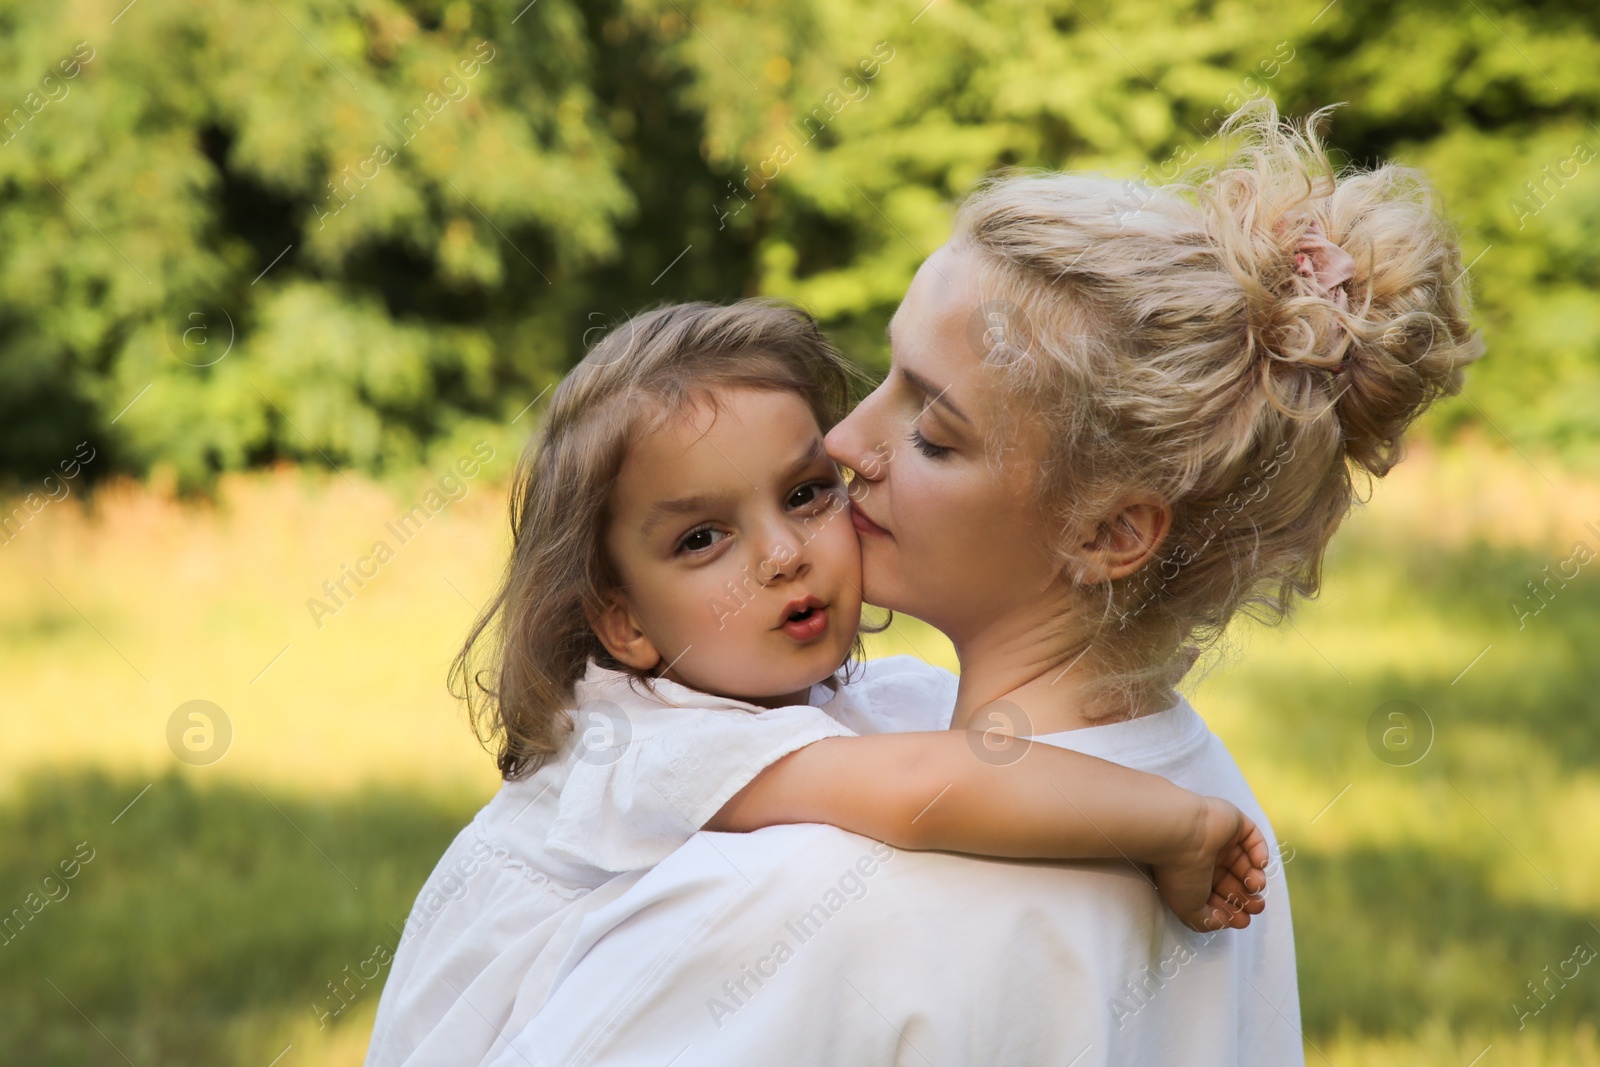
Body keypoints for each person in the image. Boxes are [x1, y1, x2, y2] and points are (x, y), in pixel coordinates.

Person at [475, 104, 1483, 1065]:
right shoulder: (1208, 793)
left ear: (1110, 530)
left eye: (932, 434)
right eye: (884, 377)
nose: (843, 442)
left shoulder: (808, 895)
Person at [364, 302, 1271, 1067]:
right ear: (624, 623)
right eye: (701, 539)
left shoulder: (842, 699)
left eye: (804, 492)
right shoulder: (650, 744)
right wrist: (1176, 822)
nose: (784, 554)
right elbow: (923, 788)